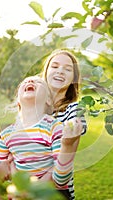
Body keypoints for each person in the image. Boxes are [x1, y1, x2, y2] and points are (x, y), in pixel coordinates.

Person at [0, 75, 82, 198]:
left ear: (48, 100)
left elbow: (61, 181)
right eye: (24, 82)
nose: (29, 81)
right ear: (18, 100)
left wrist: (67, 146)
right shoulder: (6, 134)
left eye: (38, 82)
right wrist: (2, 167)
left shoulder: (55, 128)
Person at [41, 49, 88, 199]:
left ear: (73, 78)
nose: (60, 71)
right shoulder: (30, 106)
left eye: (68, 69)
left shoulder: (75, 109)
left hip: (57, 190)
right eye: (54, 66)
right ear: (46, 71)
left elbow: (66, 157)